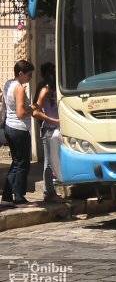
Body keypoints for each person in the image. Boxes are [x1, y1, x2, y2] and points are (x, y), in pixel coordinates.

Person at [1, 60, 38, 208]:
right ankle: (19, 197)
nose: (30, 79)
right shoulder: (19, 89)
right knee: (22, 165)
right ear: (21, 73)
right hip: (19, 129)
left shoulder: (8, 84)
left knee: (16, 163)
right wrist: (33, 107)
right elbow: (21, 112)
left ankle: (7, 197)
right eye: (29, 75)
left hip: (10, 127)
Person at [33, 62, 64, 203]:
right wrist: (53, 120)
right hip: (49, 129)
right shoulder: (44, 89)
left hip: (58, 128)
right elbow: (35, 112)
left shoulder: (56, 88)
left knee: (57, 159)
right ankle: (49, 192)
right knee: (49, 161)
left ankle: (56, 187)